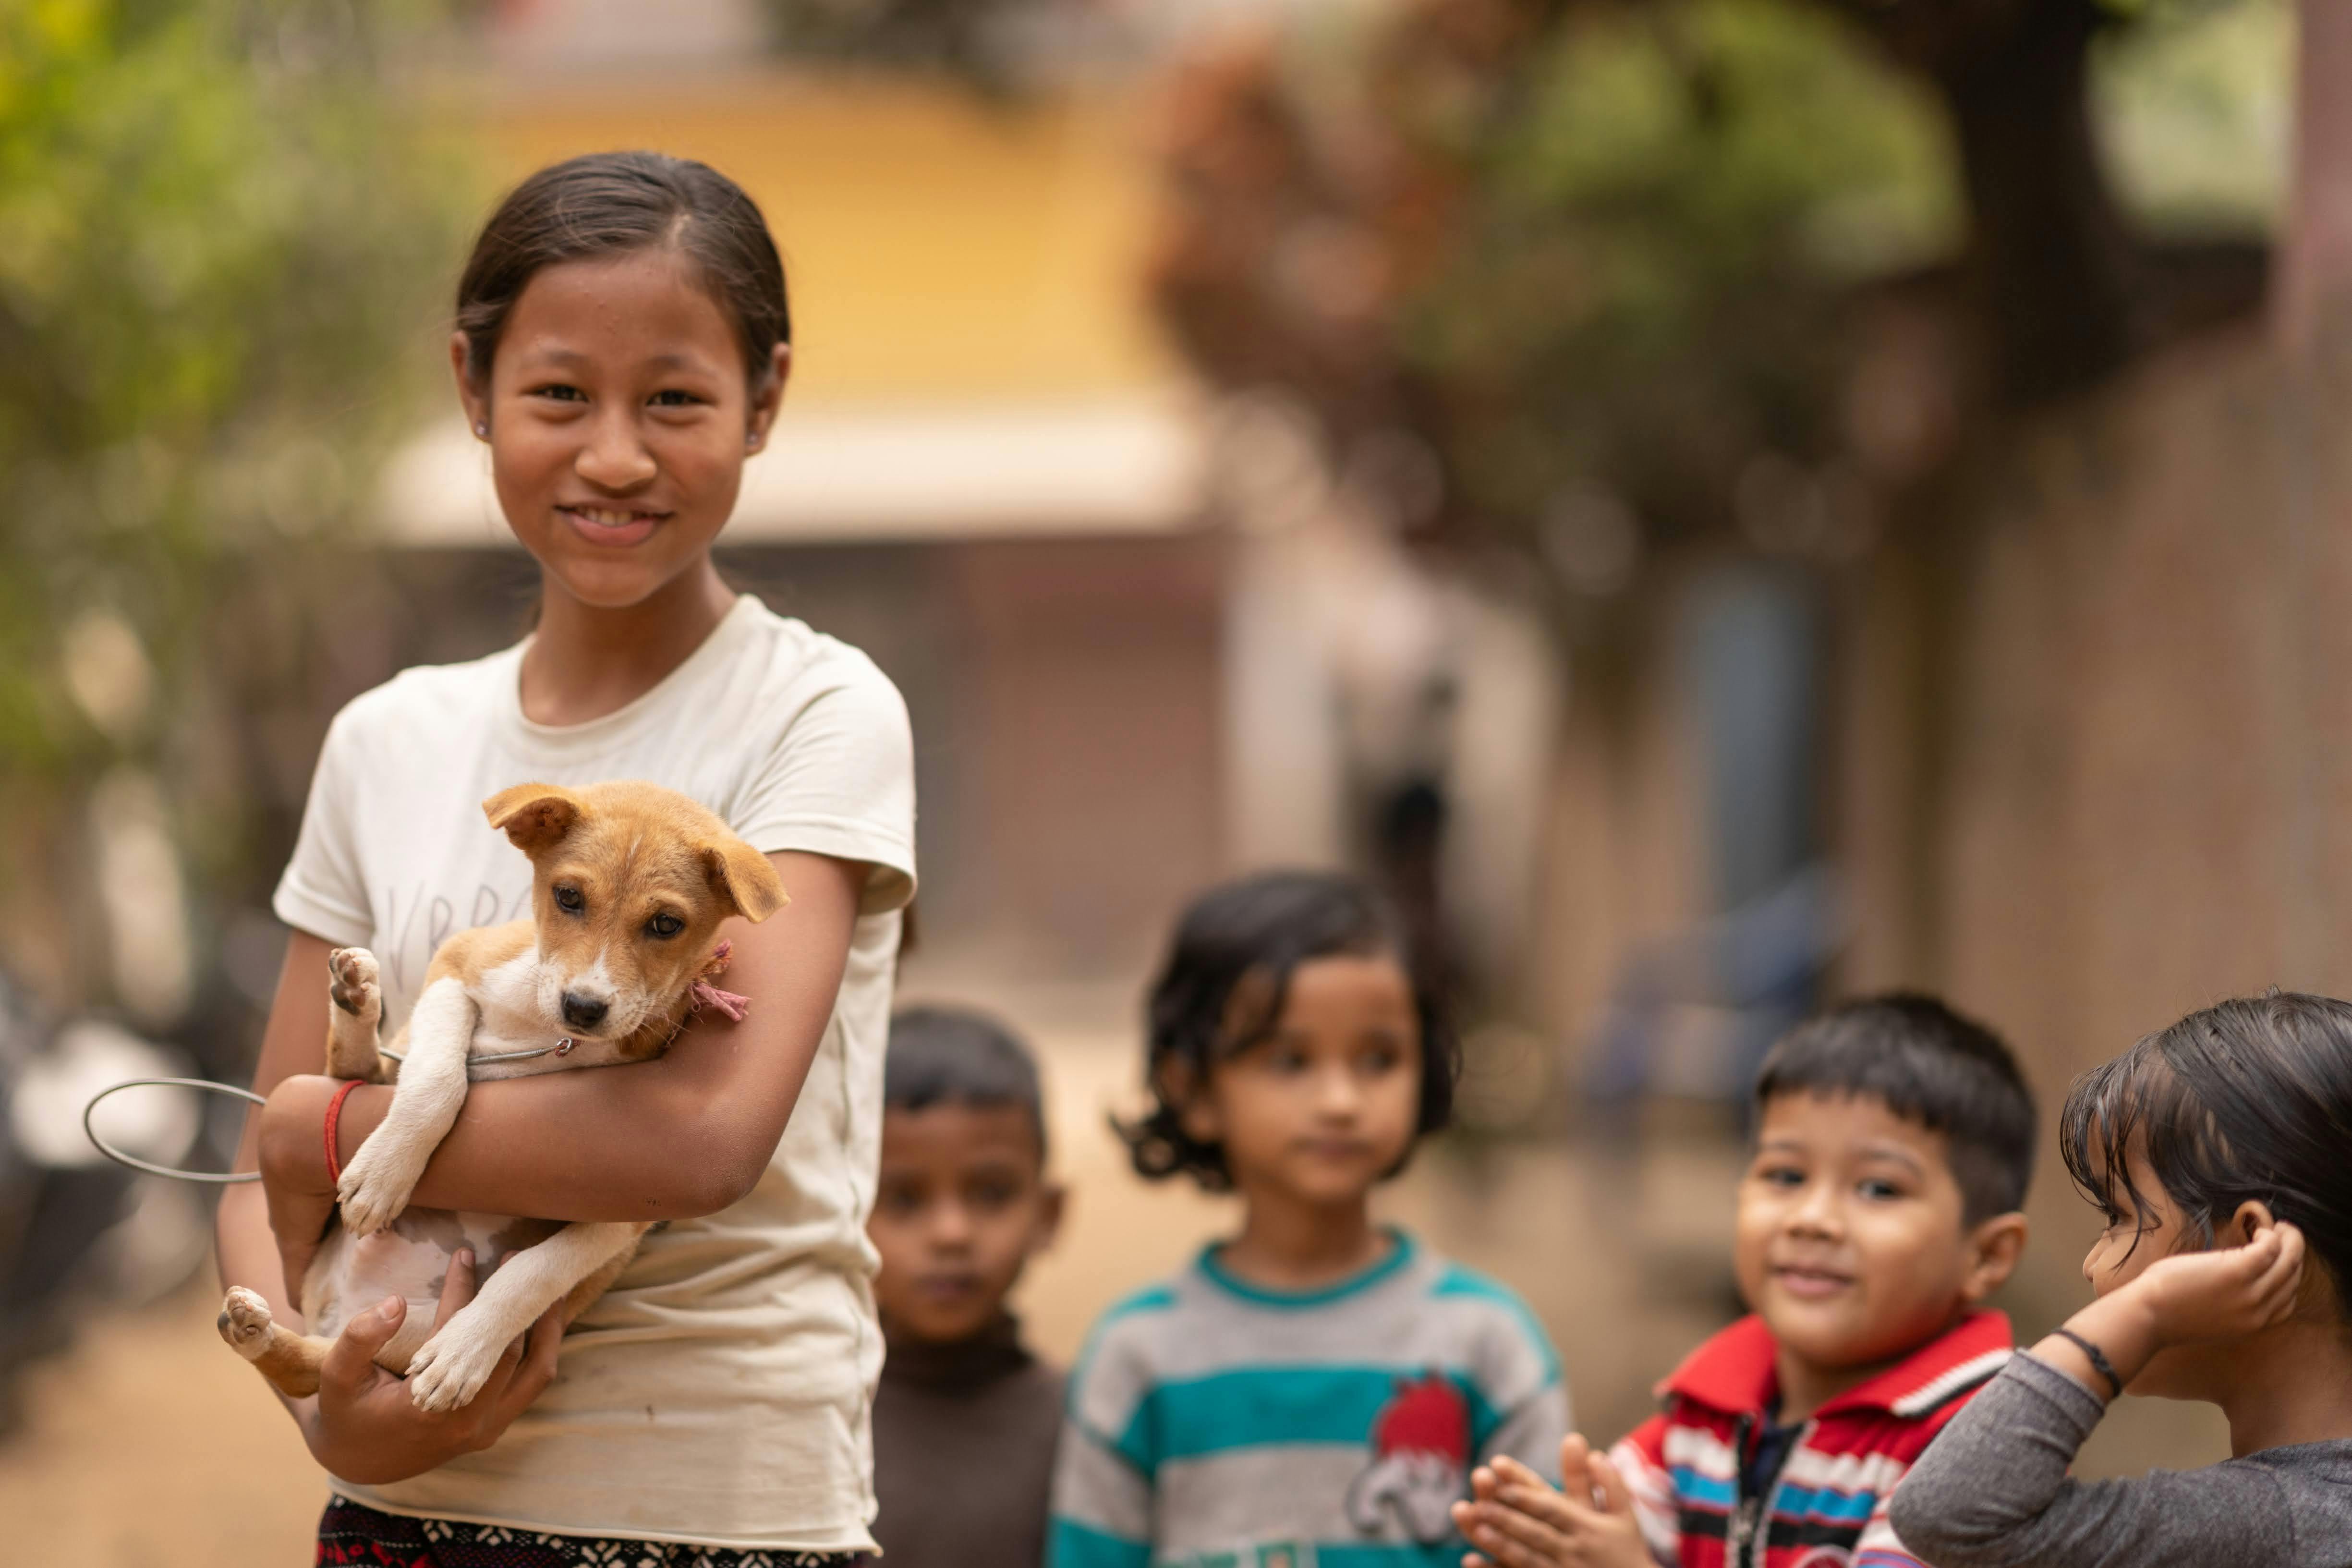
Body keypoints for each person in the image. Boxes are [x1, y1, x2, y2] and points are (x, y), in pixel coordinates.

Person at [213, 151, 917, 1565]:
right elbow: (250, 1177)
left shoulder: (816, 711)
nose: (614, 455)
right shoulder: (387, 740)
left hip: (721, 1509)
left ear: (764, 399)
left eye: (674, 398)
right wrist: (325, 1409)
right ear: (470, 386)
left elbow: (700, 1140)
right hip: (405, 1510)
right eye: (556, 394)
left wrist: (320, 1129)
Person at [1049, 870, 1569, 1568]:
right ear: (1192, 1089)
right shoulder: (1138, 1357)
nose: (1340, 1101)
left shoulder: (1487, 1343)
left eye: (1378, 1058)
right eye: (1290, 1060)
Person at [1454, 993, 2033, 1568]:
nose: (1811, 1218)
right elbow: (1612, 1527)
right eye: (1784, 1175)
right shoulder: (1710, 1404)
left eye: (1877, 1188)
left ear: (1985, 1256)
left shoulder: (1979, 1437)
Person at [1890, 991, 2352, 1567]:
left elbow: (1945, 1513)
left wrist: (2144, 1312)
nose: (2091, 1263)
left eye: (2118, 1215)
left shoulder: (2269, 1524)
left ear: (2246, 1248)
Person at [866, 1005, 1067, 1568]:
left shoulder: (1091, 1423)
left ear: (1049, 1214)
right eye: (904, 1198)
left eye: (992, 1193)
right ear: (844, 1211)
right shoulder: (807, 1421)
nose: (951, 1233)